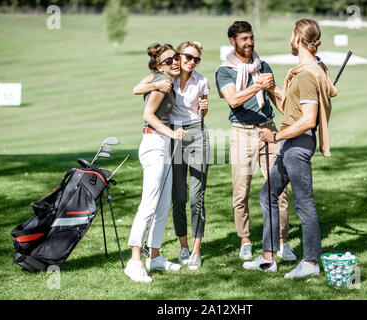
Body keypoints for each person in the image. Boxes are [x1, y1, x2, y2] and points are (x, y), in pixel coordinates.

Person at [251, 19, 337, 277]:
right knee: (268, 194)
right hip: (291, 142)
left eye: (291, 34)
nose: (290, 38)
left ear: (298, 38)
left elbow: (308, 120)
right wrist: (272, 89)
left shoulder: (308, 74)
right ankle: (268, 257)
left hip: (297, 145)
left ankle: (311, 262)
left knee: (304, 204)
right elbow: (290, 109)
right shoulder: (312, 68)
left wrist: (274, 137)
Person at [215, 21, 296, 262]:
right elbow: (233, 100)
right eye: (244, 39)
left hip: (268, 130)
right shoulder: (224, 70)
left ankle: (283, 241)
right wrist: (257, 85)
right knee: (241, 191)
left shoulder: (264, 66)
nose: (249, 42)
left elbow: (280, 102)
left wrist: (276, 90)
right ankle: (246, 240)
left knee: (279, 189)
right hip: (242, 133)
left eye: (251, 38)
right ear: (233, 41)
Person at [133, 41, 210, 270]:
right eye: (186, 57)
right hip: (167, 137)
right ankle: (174, 248)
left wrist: (204, 108)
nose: (190, 62)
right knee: (173, 198)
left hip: (188, 135)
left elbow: (203, 110)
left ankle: (185, 252)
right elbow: (138, 91)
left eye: (196, 59)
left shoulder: (198, 80)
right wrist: (172, 133)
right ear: (177, 56)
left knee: (190, 198)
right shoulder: (166, 78)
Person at [124, 43, 187, 283]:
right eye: (168, 60)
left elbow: (138, 87)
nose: (174, 62)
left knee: (162, 207)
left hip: (163, 146)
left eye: (175, 58)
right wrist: (172, 134)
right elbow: (147, 115)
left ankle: (156, 257)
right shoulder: (162, 82)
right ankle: (134, 261)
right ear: (159, 65)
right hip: (154, 145)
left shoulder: (162, 78)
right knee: (149, 205)